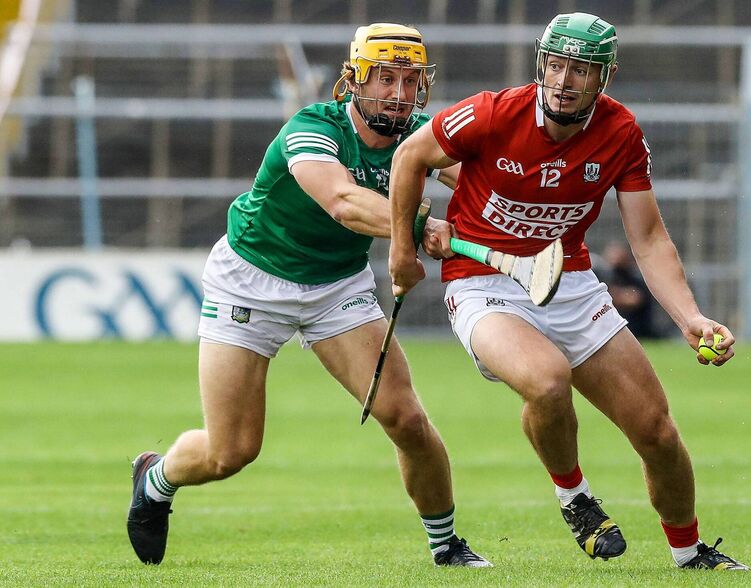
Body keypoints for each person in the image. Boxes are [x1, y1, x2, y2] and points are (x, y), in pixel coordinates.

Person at [388, 12, 749, 571]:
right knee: (548, 380)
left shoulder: (620, 132)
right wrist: (401, 252)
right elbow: (410, 157)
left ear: (603, 76)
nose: (563, 80)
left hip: (570, 282)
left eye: (580, 70)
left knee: (656, 432)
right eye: (556, 66)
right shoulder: (492, 113)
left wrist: (690, 318)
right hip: (484, 285)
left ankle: (690, 554)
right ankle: (574, 496)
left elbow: (649, 237)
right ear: (542, 65)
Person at [126, 23, 490, 568]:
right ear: (353, 82)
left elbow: (484, 184)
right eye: (385, 78)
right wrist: (417, 226)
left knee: (406, 418)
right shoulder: (311, 128)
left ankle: (447, 547)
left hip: (335, 286)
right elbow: (342, 201)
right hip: (250, 279)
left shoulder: (421, 135)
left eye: (410, 81)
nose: (398, 93)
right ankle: (155, 479)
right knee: (232, 452)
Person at [597, 241, 660, 339]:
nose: (614, 262)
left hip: (637, 328)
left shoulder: (636, 277)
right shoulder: (606, 276)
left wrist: (614, 295)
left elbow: (634, 299)